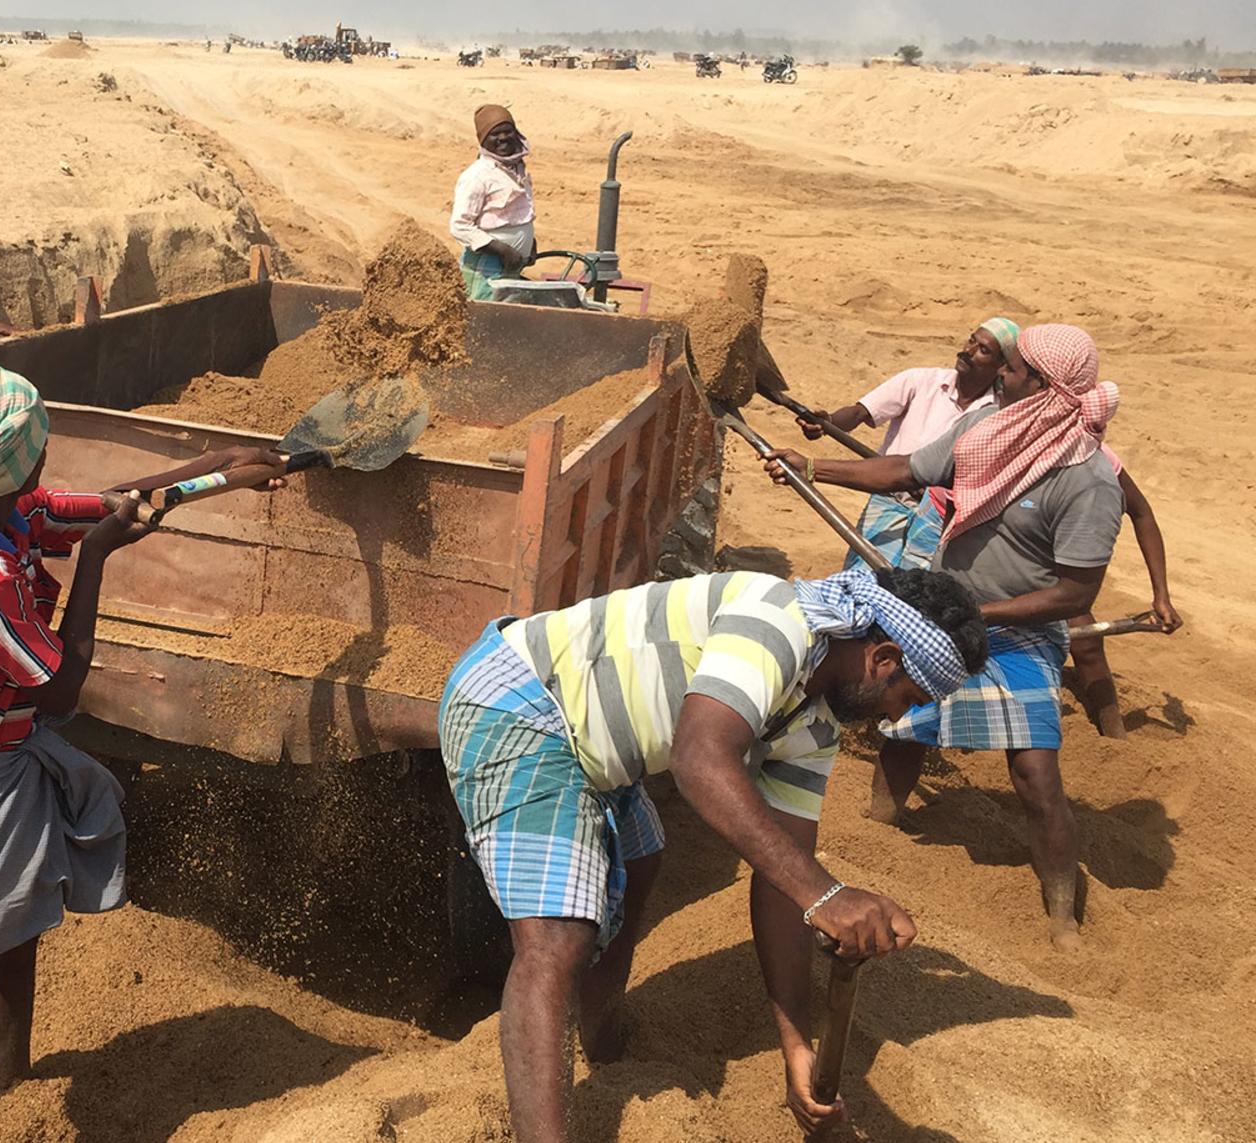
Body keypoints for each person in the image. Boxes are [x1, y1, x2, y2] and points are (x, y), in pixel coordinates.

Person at [0, 362, 292, 1142]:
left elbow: (104, 505)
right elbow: (60, 687)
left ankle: (11, 1089)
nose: (47, 458)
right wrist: (95, 559)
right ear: (19, 460)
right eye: (38, 445)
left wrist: (214, 470)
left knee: (14, 937)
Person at [441, 566, 987, 1141]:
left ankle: (600, 1041)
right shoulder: (777, 623)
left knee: (639, 857)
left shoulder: (816, 725)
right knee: (558, 934)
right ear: (882, 657)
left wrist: (796, 1046)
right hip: (519, 701)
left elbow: (785, 877)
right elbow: (699, 757)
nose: (898, 718)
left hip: (593, 744)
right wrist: (827, 894)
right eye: (910, 697)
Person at [765, 323, 1123, 951]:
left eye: (1012, 370)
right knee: (902, 732)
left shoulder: (1087, 482)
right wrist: (814, 465)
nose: (1001, 377)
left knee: (1036, 773)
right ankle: (880, 829)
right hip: (949, 620)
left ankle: (1062, 915)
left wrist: (984, 614)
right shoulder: (986, 432)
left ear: (1041, 385)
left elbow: (1075, 595)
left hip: (1019, 638)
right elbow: (906, 469)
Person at [796, 319, 1017, 569]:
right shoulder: (920, 381)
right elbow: (860, 413)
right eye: (971, 341)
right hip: (890, 501)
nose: (968, 351)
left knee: (913, 593)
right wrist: (829, 422)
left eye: (983, 350)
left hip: (939, 518)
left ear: (1001, 366)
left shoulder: (996, 413)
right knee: (862, 578)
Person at [1067, 447, 1180, 738]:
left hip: (1055, 562)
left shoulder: (1098, 457)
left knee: (1086, 641)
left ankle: (1114, 735)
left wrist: (1161, 595)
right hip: (997, 553)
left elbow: (1142, 513)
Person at [449, 104, 536, 301]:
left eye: (508, 131)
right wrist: (502, 250)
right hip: (486, 269)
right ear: (483, 140)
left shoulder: (517, 170)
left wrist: (530, 243)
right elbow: (459, 226)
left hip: (511, 266)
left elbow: (517, 213)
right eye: (495, 134)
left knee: (504, 320)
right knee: (484, 320)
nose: (503, 138)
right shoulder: (477, 176)